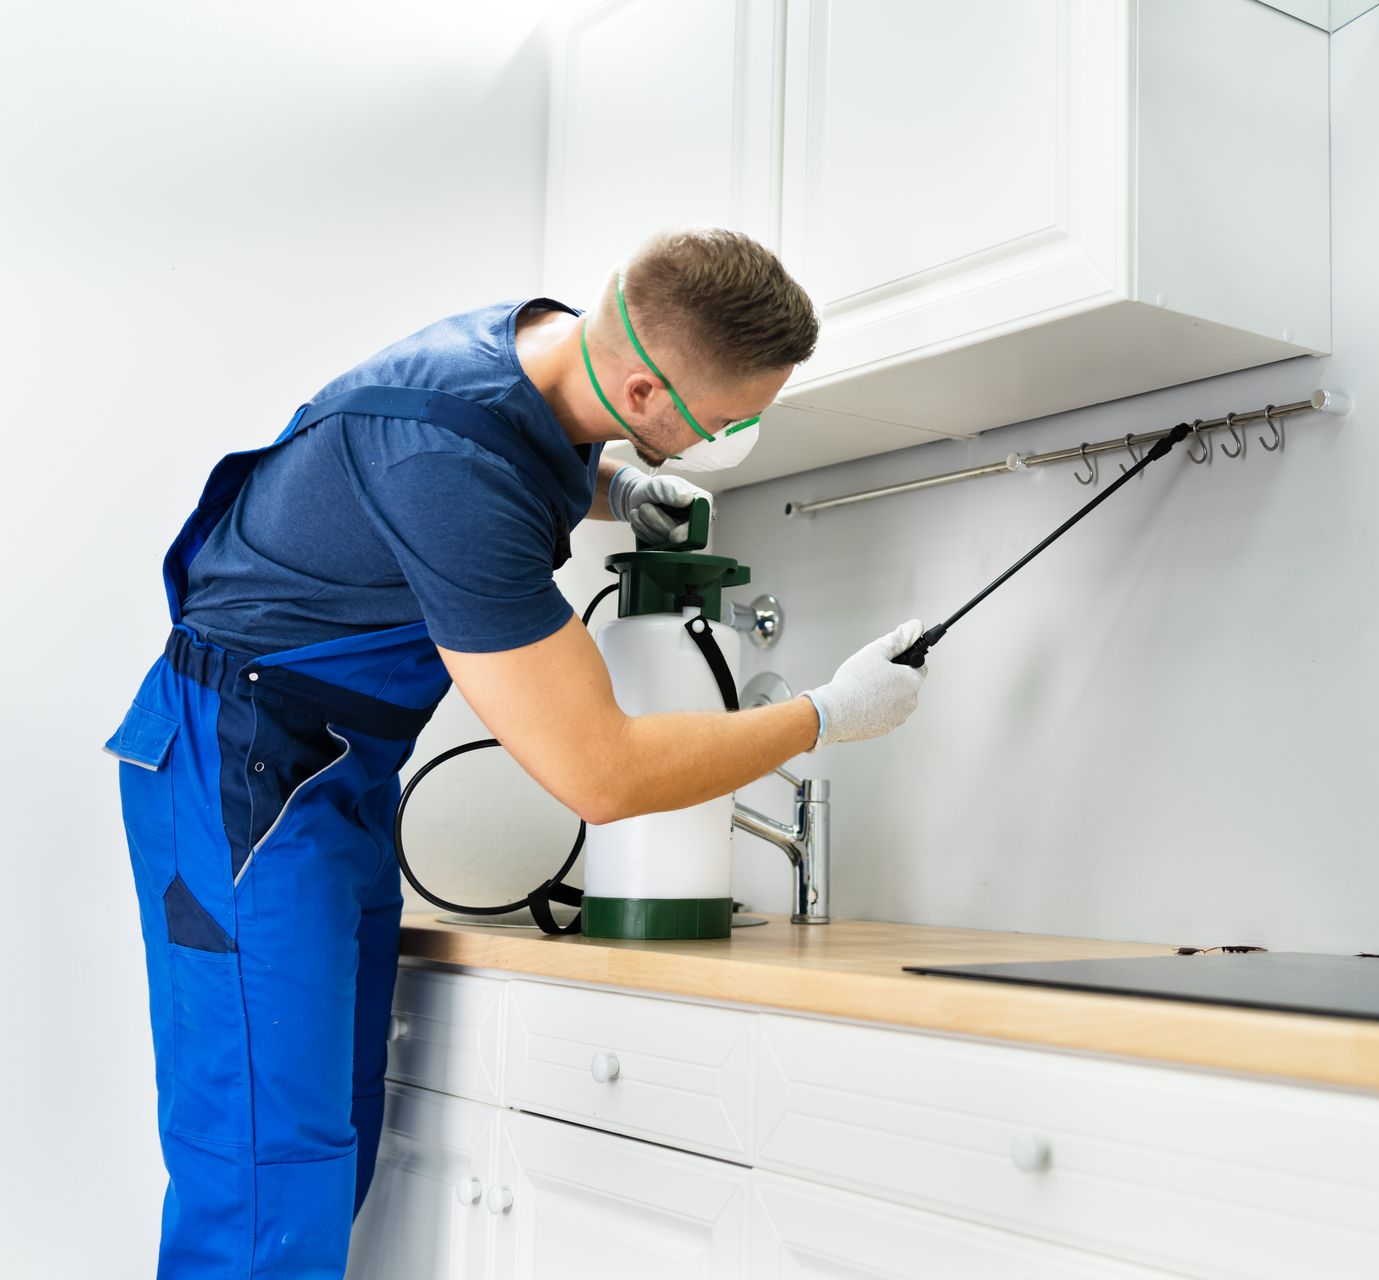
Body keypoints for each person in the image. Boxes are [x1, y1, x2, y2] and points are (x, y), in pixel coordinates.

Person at [103, 227, 929, 1277]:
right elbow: (601, 769)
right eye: (729, 417)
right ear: (641, 390)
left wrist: (612, 488)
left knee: (328, 1141)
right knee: (265, 1182)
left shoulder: (542, 350)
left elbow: (515, 450)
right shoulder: (447, 464)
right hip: (238, 767)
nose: (737, 430)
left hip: (327, 772)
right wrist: (825, 713)